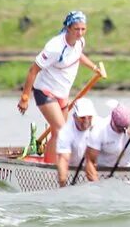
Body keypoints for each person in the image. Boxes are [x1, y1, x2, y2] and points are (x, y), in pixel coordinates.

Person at [17, 11, 104, 163]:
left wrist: (94, 67)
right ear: (68, 28)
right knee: (60, 130)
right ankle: (50, 168)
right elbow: (33, 71)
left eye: (83, 29)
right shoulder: (55, 47)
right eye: (77, 29)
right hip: (45, 90)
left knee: (60, 132)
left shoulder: (80, 42)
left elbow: (78, 55)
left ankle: (54, 160)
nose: (80, 33)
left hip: (62, 94)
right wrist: (25, 98)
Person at [84, 104, 130, 181]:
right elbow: (90, 162)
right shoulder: (99, 130)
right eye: (119, 128)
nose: (123, 130)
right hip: (105, 171)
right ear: (112, 121)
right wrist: (97, 185)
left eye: (125, 127)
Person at [54, 98, 98, 187]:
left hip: (97, 169)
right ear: (74, 116)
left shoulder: (99, 124)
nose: (86, 121)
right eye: (82, 118)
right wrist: (62, 184)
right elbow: (63, 159)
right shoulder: (66, 132)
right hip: (73, 172)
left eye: (89, 117)